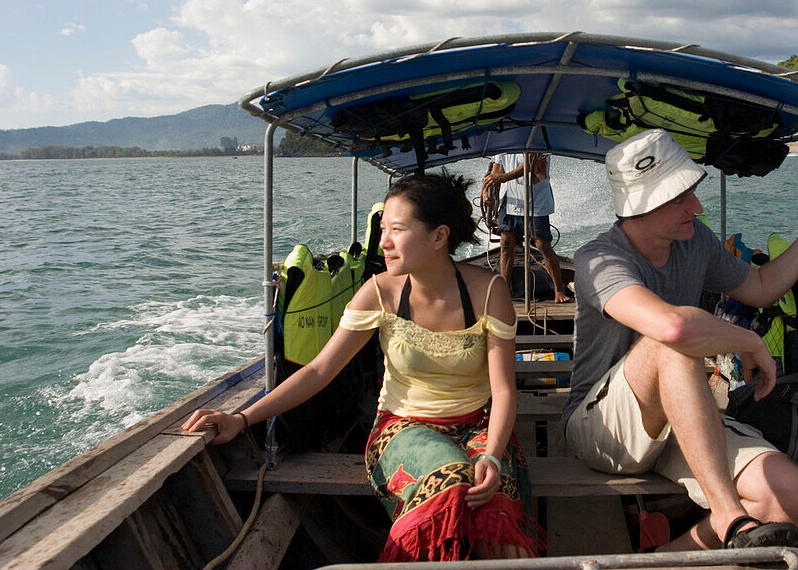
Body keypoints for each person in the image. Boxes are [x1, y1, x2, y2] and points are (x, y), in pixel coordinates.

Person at [183, 173, 544, 561]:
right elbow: (319, 371)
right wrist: (241, 418)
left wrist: (491, 454)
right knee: (451, 482)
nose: (384, 241)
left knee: (494, 507)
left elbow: (504, 390)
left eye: (397, 229)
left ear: (439, 237)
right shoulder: (379, 292)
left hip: (481, 427)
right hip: (404, 427)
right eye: (383, 228)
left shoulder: (488, 291)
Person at [563, 128, 798, 552]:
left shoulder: (694, 240)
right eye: (681, 198)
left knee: (791, 497)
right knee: (673, 346)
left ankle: (669, 557)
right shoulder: (599, 259)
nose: (697, 207)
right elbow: (673, 329)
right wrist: (748, 340)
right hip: (603, 428)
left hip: (681, 414)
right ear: (641, 207)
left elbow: (759, 287)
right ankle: (726, 512)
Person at [483, 153, 570, 303]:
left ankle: (559, 289)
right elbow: (496, 171)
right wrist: (486, 193)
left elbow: (530, 165)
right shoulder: (504, 145)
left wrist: (502, 178)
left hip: (535, 198)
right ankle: (504, 291)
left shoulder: (535, 138)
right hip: (510, 199)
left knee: (541, 244)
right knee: (506, 243)